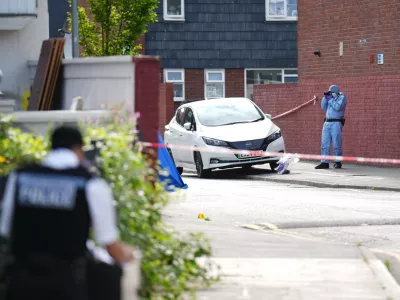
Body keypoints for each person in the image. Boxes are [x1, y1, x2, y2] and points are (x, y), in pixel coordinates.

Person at [0, 125, 134, 300]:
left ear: (52, 146)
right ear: (79, 149)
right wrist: (128, 255)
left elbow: (5, 229)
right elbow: (108, 243)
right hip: (66, 285)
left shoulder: (20, 177)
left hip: (21, 284)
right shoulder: (90, 183)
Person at [315, 85, 347, 169]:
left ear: (336, 92)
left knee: (336, 143)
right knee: (324, 143)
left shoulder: (342, 97)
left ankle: (337, 162)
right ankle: (324, 162)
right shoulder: (329, 98)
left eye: (332, 92)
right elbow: (323, 107)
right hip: (327, 122)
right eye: (330, 92)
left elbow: (337, 107)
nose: (331, 94)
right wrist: (325, 97)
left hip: (336, 122)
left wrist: (330, 99)